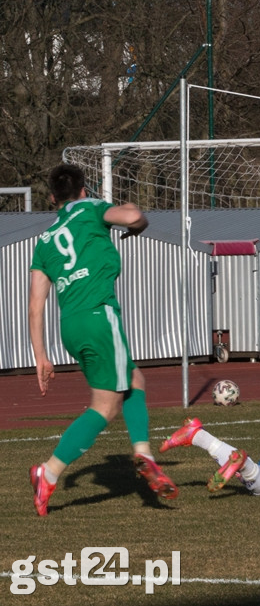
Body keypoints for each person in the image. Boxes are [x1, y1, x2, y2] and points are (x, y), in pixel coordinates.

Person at [28, 163, 177, 516]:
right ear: (83, 190)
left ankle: (141, 453)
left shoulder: (45, 241)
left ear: (52, 198)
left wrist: (41, 355)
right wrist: (136, 226)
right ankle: (49, 473)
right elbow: (135, 214)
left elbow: (36, 305)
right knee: (106, 406)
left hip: (71, 326)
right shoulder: (92, 209)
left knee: (134, 379)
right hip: (99, 315)